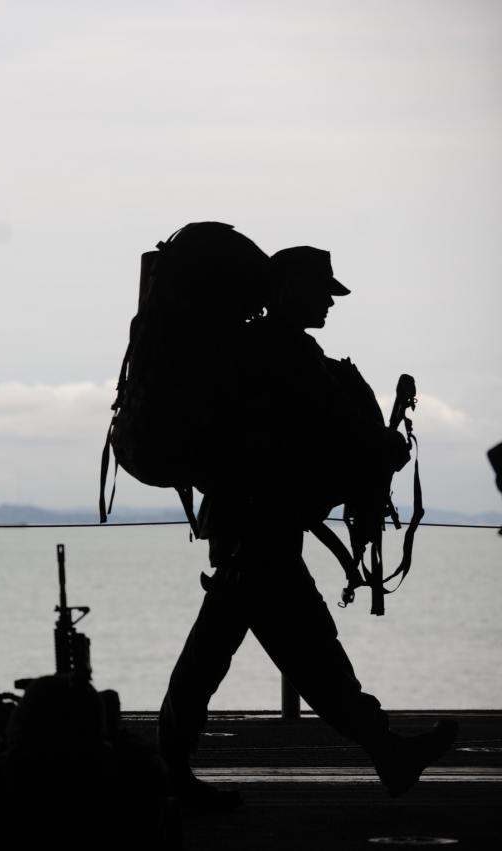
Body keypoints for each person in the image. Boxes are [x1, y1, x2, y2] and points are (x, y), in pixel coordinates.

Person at [157, 244, 458, 809]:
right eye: (321, 291)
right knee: (297, 655)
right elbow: (337, 430)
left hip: (252, 528)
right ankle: (385, 750)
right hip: (259, 531)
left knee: (268, 654)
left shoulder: (260, 349)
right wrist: (389, 446)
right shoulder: (284, 352)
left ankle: (385, 751)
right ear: (288, 291)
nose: (329, 302)